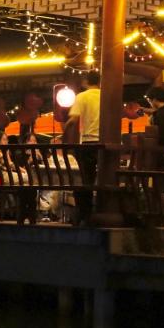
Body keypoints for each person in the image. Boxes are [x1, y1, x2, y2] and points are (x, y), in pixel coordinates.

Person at [64, 70, 101, 224]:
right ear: (99, 81)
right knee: (103, 179)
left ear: (86, 81)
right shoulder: (106, 96)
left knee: (86, 180)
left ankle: (85, 214)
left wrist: (65, 132)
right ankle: (99, 211)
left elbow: (73, 120)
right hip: (105, 143)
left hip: (88, 142)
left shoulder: (82, 97)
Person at [142, 85, 164, 169]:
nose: (150, 104)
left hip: (160, 151)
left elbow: (159, 134)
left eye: (150, 101)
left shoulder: (160, 114)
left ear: (155, 99)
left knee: (158, 173)